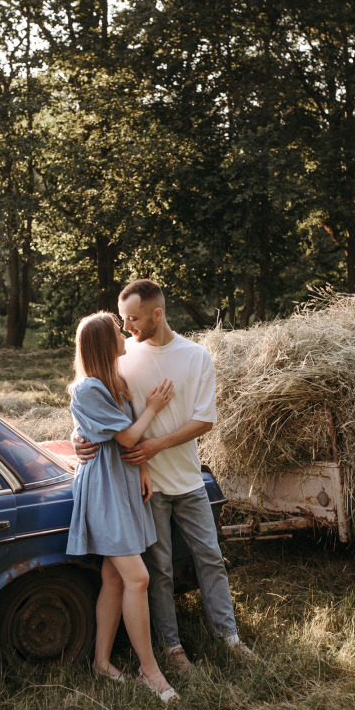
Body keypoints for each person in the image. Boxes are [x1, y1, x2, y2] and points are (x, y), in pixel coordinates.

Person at [74, 280, 253, 674]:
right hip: (143, 486)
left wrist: (155, 445)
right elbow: (93, 400)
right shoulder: (121, 358)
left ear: (157, 314)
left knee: (211, 559)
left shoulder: (196, 356)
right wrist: (77, 436)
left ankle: (230, 639)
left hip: (188, 479)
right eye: (123, 320)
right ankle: (172, 649)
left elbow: (204, 420)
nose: (127, 327)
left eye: (133, 318)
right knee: (159, 570)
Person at [66, 311, 179, 702]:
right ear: (101, 342)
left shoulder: (114, 382)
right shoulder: (88, 389)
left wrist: (144, 468)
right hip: (104, 491)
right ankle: (151, 672)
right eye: (116, 330)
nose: (123, 332)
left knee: (115, 579)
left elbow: (120, 436)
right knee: (138, 578)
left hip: (125, 483)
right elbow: (130, 435)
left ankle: (101, 662)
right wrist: (155, 406)